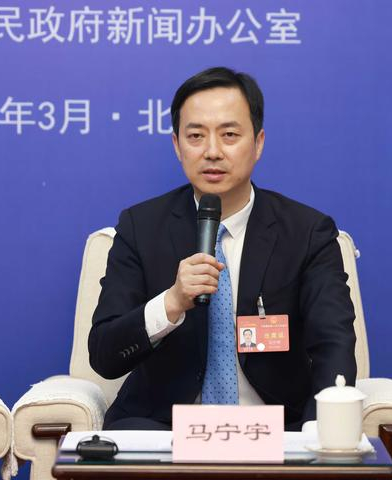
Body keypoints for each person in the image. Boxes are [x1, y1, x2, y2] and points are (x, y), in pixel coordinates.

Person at [88, 67, 356, 431]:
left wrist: (319, 432)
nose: (212, 152)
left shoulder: (307, 232)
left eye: (229, 135)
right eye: (196, 136)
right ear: (177, 145)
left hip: (273, 430)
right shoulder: (141, 227)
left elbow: (333, 344)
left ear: (258, 143)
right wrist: (171, 302)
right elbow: (104, 355)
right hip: (166, 430)